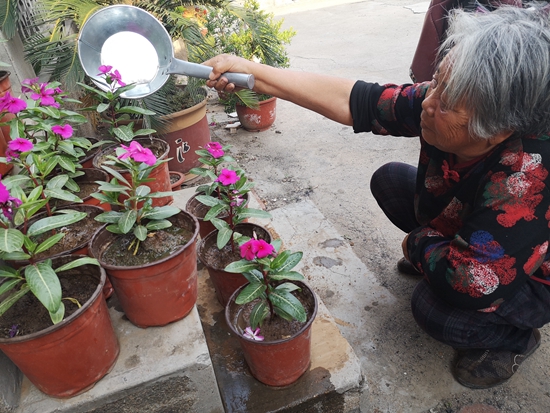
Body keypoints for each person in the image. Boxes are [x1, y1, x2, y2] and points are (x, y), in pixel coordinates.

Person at [204, 5, 550, 389]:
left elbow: (471, 281)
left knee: (435, 310)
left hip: (528, 275)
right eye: (436, 82)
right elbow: (360, 101)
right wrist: (253, 73)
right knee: (389, 181)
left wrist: (419, 244)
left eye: (446, 104)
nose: (428, 102)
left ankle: (516, 339)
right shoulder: (452, 100)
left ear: (496, 131)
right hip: (475, 224)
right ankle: (441, 252)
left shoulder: (526, 179)